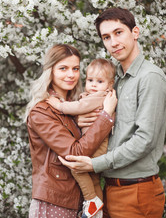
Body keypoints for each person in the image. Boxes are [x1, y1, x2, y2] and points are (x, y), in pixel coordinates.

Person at [58, 7, 166, 218]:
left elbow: (144, 140)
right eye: (106, 37)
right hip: (110, 188)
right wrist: (83, 118)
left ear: (135, 32)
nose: (113, 42)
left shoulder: (150, 78)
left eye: (118, 32)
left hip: (136, 190)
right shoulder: (114, 81)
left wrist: (95, 164)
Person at [25, 44, 117, 218]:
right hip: (54, 202)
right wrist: (106, 116)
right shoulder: (42, 111)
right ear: (50, 71)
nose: (71, 74)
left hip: (77, 202)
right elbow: (75, 152)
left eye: (75, 68)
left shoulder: (78, 107)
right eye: (63, 68)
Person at [46, 58, 116, 218]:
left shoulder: (99, 97)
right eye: (90, 80)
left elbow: (78, 107)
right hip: (98, 146)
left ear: (110, 84)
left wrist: (58, 105)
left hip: (97, 147)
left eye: (99, 81)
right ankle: (98, 210)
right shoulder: (94, 95)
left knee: (76, 167)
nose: (93, 84)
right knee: (94, 179)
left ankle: (91, 200)